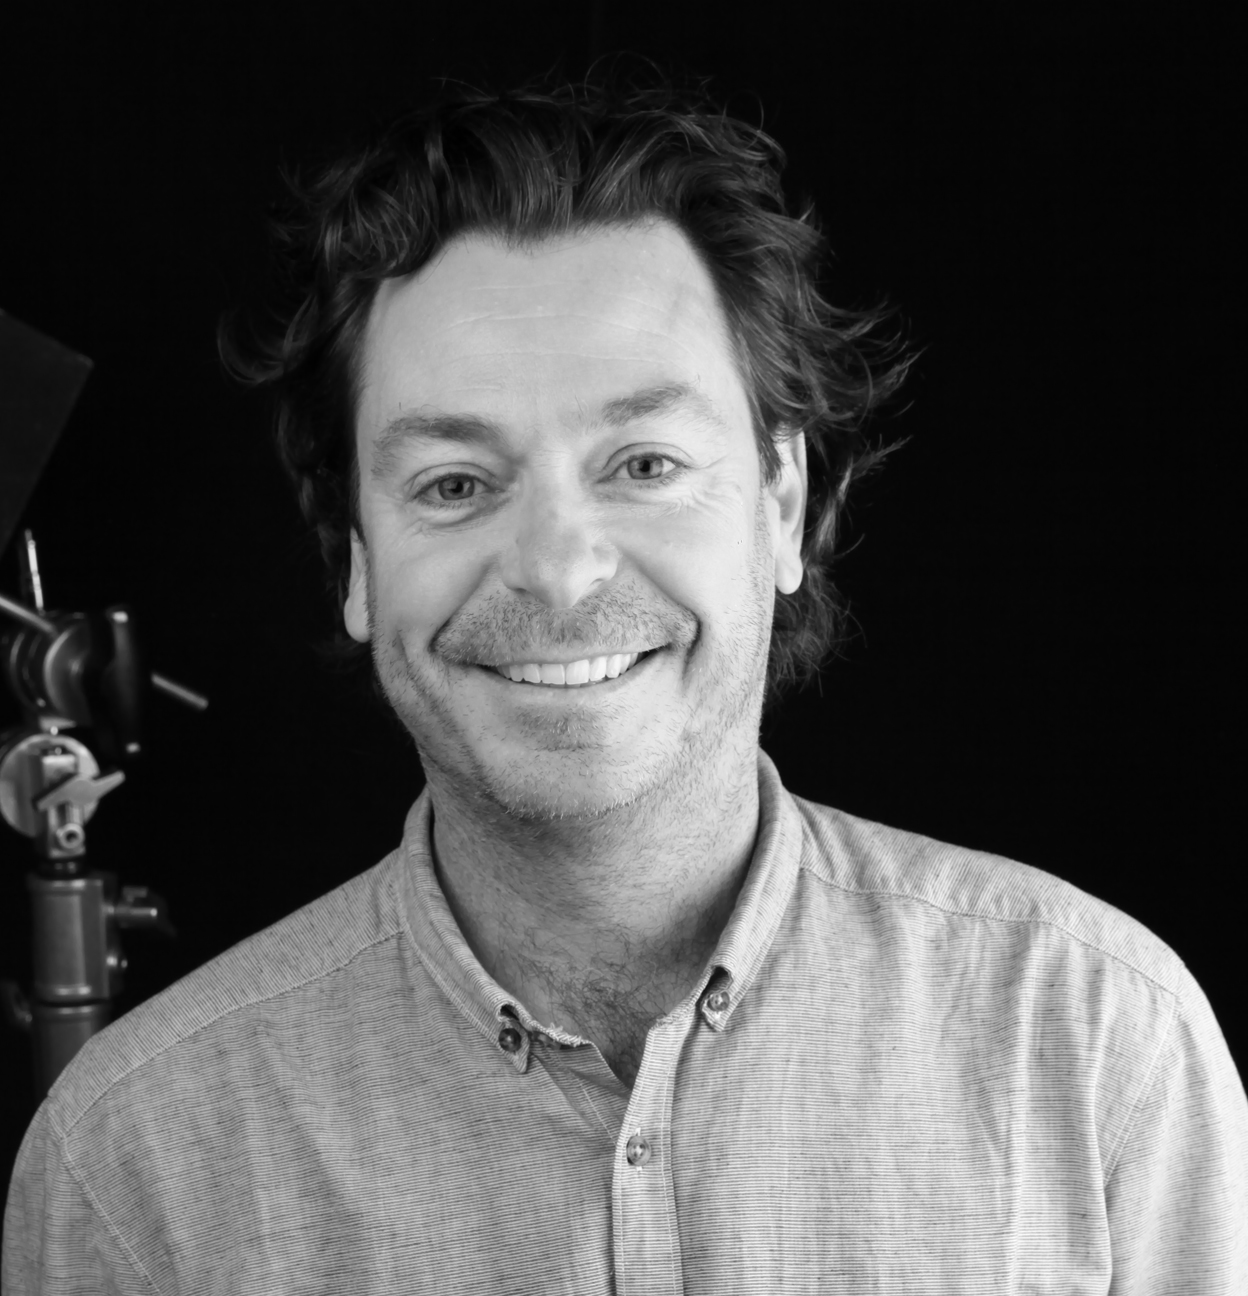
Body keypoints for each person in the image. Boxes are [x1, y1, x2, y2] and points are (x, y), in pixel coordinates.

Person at [4, 65, 1246, 1295]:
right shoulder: (132, 1167)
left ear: (783, 502)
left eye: (644, 463)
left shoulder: (1098, 1044)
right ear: (356, 559)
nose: (557, 569)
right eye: (454, 484)